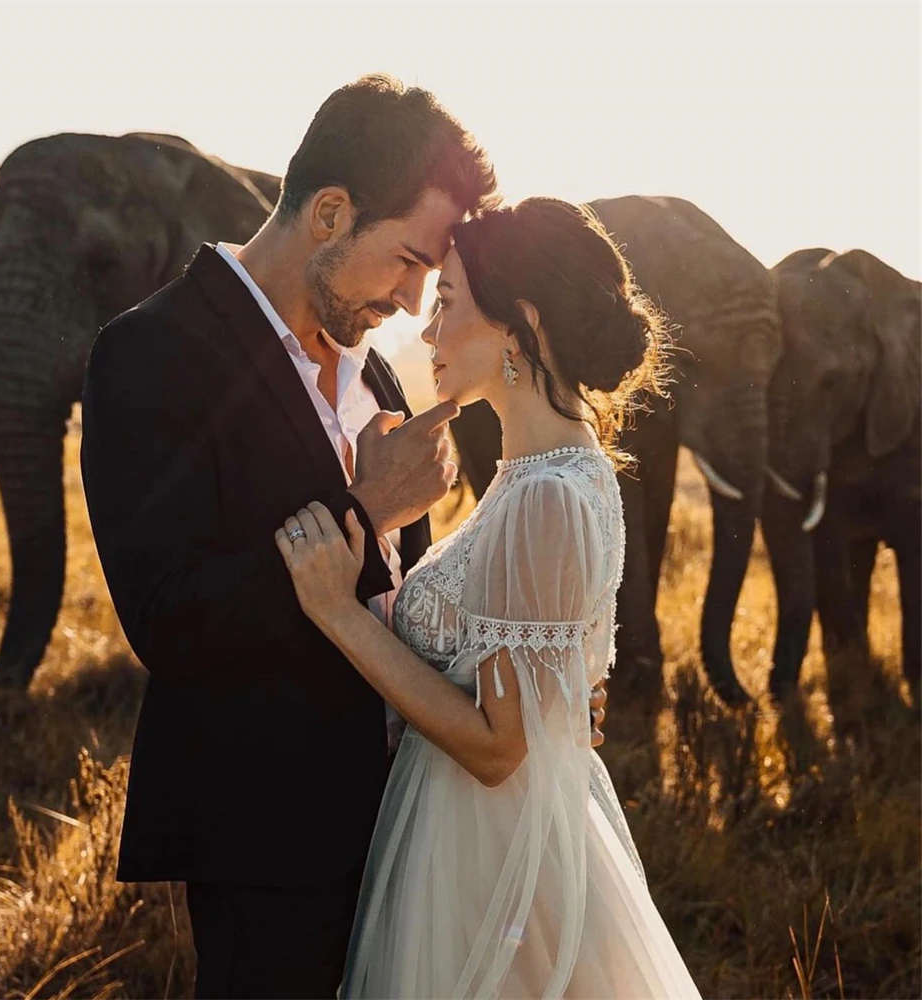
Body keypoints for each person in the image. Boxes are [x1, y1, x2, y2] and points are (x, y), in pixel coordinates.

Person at [80, 74, 605, 999]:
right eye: (406, 261)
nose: (412, 302)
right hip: (267, 845)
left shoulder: (382, 383)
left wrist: (539, 690)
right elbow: (167, 621)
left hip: (423, 830)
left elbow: (407, 601)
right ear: (330, 213)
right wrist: (364, 516)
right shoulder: (150, 353)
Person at [275, 198, 702, 998]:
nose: (428, 332)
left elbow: (498, 747)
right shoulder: (550, 474)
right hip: (472, 834)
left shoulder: (545, 494)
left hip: (483, 856)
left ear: (520, 324)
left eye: (447, 305)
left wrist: (335, 611)